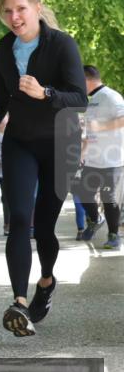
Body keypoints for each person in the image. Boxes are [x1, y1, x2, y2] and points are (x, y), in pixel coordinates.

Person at [0, 0, 88, 337]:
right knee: (19, 218)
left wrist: (45, 92)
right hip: (20, 142)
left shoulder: (61, 44)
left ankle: (45, 282)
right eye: (7, 12)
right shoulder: (3, 52)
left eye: (20, 9)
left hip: (60, 145)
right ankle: (18, 302)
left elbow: (79, 98)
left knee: (45, 225)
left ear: (36, 7)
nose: (14, 17)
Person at [77, 65, 123, 249]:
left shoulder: (112, 97)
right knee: (82, 191)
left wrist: (101, 127)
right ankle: (96, 220)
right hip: (93, 159)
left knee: (109, 197)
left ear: (86, 79)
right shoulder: (92, 100)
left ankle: (114, 235)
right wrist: (83, 152)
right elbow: (90, 131)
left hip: (113, 160)